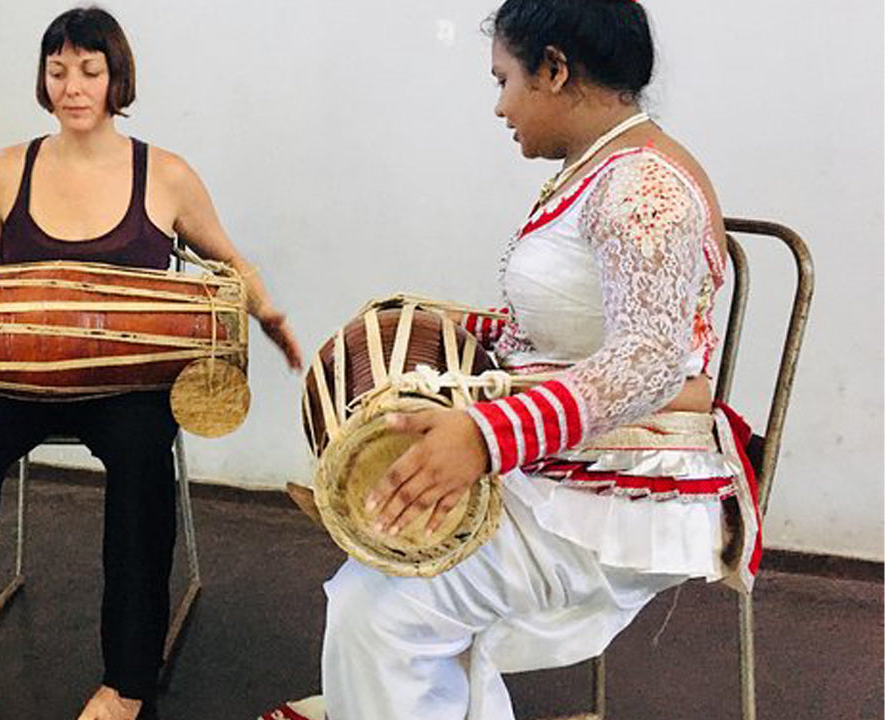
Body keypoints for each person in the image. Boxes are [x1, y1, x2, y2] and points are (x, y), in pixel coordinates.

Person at [272, 2, 761, 719]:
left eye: (505, 78)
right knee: (394, 569)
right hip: (582, 460)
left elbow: (652, 360)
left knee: (378, 609)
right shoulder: (601, 168)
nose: (500, 105)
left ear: (556, 69)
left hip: (627, 491)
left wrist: (486, 436)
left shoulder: (643, 187)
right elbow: (567, 334)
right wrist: (440, 323)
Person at [0, 7, 303, 720]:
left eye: (89, 70)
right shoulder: (5, 169)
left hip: (125, 385)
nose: (73, 86)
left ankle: (127, 682)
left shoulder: (164, 174)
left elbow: (229, 262)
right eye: (58, 71)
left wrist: (268, 317)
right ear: (43, 79)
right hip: (16, 379)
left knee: (144, 457)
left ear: (116, 78)